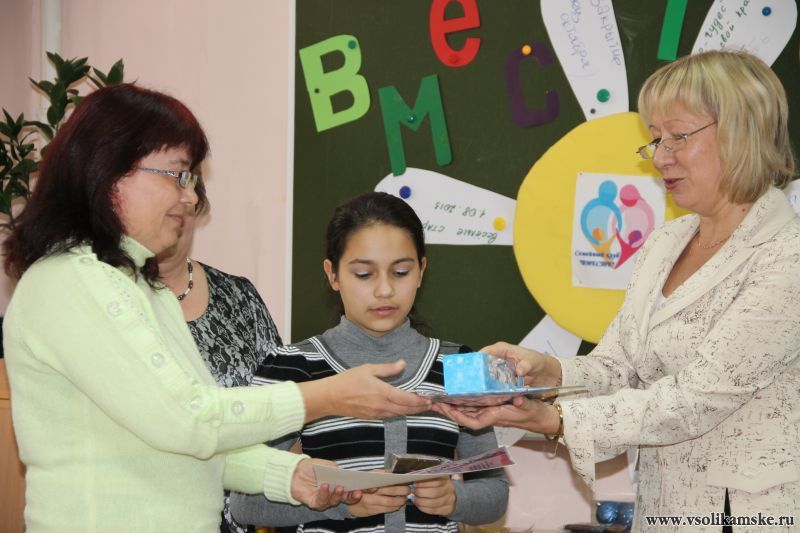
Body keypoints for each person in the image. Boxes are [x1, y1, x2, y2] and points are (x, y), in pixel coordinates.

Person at [2, 83, 431, 532]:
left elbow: (190, 445)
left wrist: (292, 474)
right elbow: (190, 420)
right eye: (176, 175)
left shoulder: (145, 289)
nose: (189, 197)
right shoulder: (70, 281)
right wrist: (328, 395)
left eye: (190, 179)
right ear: (110, 171)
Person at [435, 50, 800, 532]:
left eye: (678, 136)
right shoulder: (666, 242)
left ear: (742, 131)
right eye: (656, 138)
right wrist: (547, 372)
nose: (661, 157)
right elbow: (619, 366)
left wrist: (554, 419)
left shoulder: (787, 253)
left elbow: (697, 398)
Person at [230, 192, 509, 532]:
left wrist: (454, 499)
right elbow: (244, 503)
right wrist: (342, 505)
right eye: (364, 274)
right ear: (333, 275)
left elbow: (495, 493)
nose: (384, 290)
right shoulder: (291, 367)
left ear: (421, 271)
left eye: (401, 272)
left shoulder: (461, 364)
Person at [156, 190, 282, 533]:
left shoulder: (240, 297)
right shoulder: (115, 301)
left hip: (242, 517)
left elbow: (281, 414)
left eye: (183, 206)